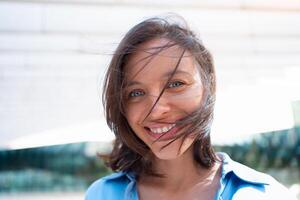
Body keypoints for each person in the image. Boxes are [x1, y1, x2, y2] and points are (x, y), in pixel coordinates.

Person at [85, 15, 296, 200]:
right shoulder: (101, 195)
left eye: (176, 84)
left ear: (209, 86)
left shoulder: (267, 195)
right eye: (136, 93)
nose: (156, 110)